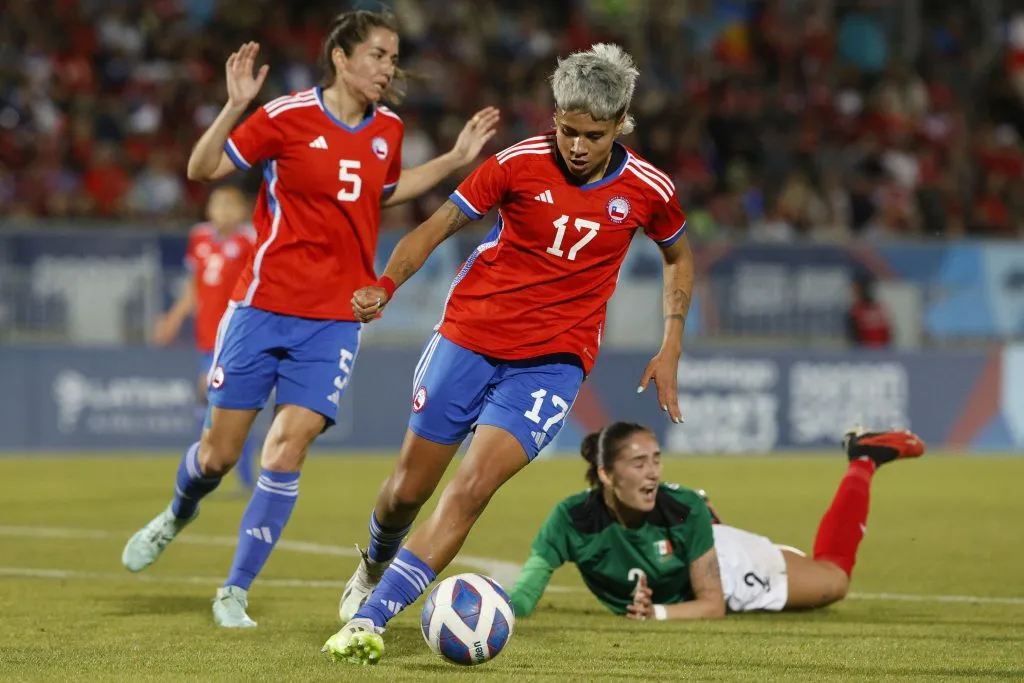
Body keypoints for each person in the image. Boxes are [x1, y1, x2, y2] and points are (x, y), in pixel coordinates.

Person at [120, 9, 500, 629]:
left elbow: (383, 190)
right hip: (262, 307)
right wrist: (233, 106)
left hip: (334, 319)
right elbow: (202, 169)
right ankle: (177, 512)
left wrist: (457, 157)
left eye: (393, 56)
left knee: (287, 447)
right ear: (341, 59)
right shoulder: (284, 116)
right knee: (217, 456)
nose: (388, 67)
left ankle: (235, 591)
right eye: (377, 54)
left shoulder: (390, 129)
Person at [323, 43, 693, 665]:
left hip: (553, 361)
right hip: (468, 337)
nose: (577, 146)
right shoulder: (515, 165)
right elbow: (436, 225)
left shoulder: (648, 189)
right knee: (406, 492)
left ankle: (370, 619)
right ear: (554, 118)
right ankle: (375, 558)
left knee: (471, 488)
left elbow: (679, 255)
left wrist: (672, 343)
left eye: (593, 135)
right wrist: (386, 285)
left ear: (620, 123)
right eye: (568, 130)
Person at [508, 422, 925, 620]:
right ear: (605, 475)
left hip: (724, 561)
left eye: (656, 460)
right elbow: (526, 592)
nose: (653, 472)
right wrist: (497, 608)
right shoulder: (570, 519)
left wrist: (657, 615)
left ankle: (864, 459)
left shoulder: (680, 505)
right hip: (683, 557)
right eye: (638, 463)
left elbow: (714, 604)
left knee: (833, 581)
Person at [152, 186, 258, 492]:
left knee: (216, 396)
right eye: (217, 205)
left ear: (241, 212)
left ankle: (212, 471)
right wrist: (172, 319)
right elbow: (194, 288)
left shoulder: (250, 239)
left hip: (237, 336)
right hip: (207, 336)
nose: (222, 211)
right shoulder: (199, 237)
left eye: (229, 205)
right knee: (222, 402)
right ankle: (218, 471)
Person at [846, 274, 893, 348]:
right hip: (863, 349)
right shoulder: (857, 310)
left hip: (881, 349)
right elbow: (853, 333)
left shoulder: (879, 308)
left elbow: (887, 331)